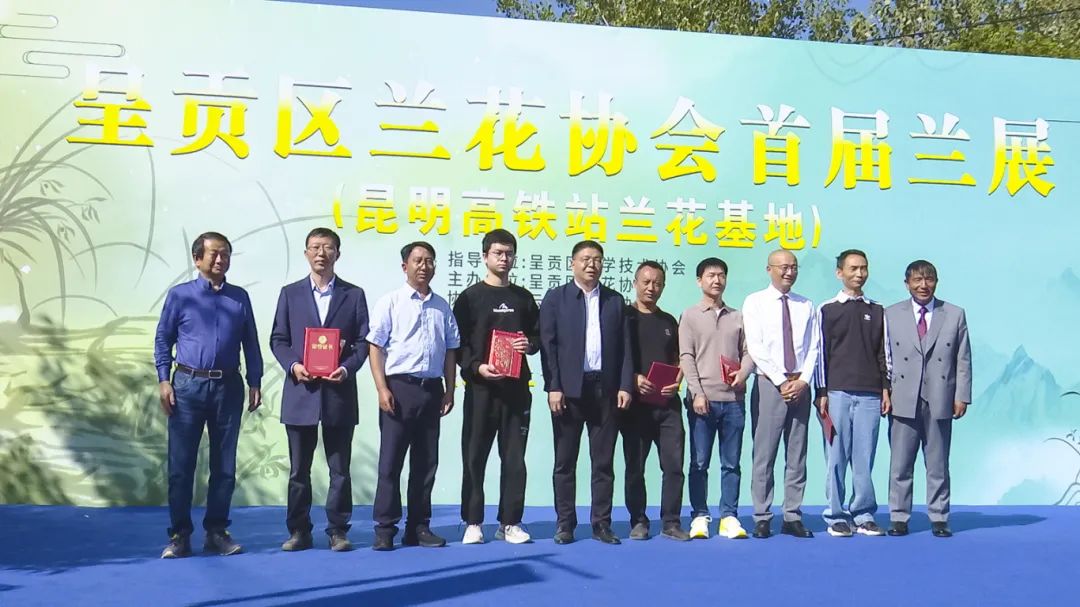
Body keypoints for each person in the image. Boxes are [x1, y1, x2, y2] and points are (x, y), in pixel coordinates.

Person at [154, 231, 263, 558]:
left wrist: (254, 381)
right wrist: (164, 380)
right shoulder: (180, 296)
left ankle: (216, 531)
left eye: (225, 254)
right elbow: (163, 339)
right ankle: (180, 535)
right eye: (214, 253)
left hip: (228, 387)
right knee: (181, 466)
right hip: (187, 386)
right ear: (197, 258)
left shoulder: (239, 297)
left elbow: (251, 342)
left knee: (224, 466)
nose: (220, 259)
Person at [269, 227, 370, 552]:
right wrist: (294, 366)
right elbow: (279, 339)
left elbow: (363, 342)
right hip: (302, 393)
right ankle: (299, 531)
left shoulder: (354, 295)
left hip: (339, 394)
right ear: (306, 253)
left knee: (340, 471)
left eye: (327, 247)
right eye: (315, 247)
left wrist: (347, 367)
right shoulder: (290, 294)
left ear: (337, 253)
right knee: (299, 471)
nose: (321, 253)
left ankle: (338, 530)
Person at [366, 241, 459, 551]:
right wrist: (382, 388)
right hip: (398, 389)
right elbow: (375, 347)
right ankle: (385, 528)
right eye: (418, 260)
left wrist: (450, 389)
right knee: (391, 463)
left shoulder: (442, 306)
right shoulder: (390, 302)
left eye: (429, 261)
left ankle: (418, 527)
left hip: (431, 390)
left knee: (426, 463)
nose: (424, 266)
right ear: (404, 266)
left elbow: (451, 350)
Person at [539, 240, 633, 545]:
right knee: (565, 462)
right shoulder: (556, 298)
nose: (591, 265)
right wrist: (553, 385)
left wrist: (625, 385)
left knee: (603, 462)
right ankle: (565, 523)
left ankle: (601, 524)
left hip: (605, 390)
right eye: (585, 259)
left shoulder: (614, 300)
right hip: (568, 391)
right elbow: (548, 346)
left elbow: (626, 348)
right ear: (573, 263)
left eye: (597, 260)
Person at [452, 229, 539, 545]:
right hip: (481, 391)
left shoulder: (523, 298)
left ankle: (510, 522)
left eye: (509, 253)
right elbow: (458, 344)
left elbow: (538, 336)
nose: (504, 258)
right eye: (498, 253)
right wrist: (477, 367)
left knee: (515, 460)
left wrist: (529, 345)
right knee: (474, 457)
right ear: (485, 256)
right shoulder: (469, 298)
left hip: (516, 392)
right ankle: (473, 522)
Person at [885, 260, 971, 538]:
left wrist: (962, 396)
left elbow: (963, 359)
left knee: (937, 464)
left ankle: (939, 517)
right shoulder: (890, 314)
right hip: (902, 397)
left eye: (929, 279)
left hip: (941, 397)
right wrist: (884, 391)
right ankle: (899, 516)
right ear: (907, 283)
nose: (924, 285)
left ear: (936, 281)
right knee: (900, 464)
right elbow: (883, 357)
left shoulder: (954, 314)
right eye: (917, 280)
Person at [742, 249, 820, 539]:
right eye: (783, 267)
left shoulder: (806, 304)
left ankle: (792, 515)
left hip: (800, 385)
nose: (789, 272)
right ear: (769, 269)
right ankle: (762, 516)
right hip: (769, 384)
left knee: (797, 453)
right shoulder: (755, 302)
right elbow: (756, 347)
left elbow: (813, 347)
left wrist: (803, 380)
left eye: (794, 267)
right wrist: (781, 381)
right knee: (765, 453)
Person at [814, 249, 890, 538]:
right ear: (839, 273)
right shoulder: (827, 309)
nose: (859, 274)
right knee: (836, 456)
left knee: (864, 457)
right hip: (836, 394)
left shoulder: (878, 310)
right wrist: (821, 391)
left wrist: (886, 389)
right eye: (853, 268)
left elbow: (884, 354)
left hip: (870, 394)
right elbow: (820, 354)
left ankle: (864, 514)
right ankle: (836, 515)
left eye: (863, 268)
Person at [678, 257, 753, 540]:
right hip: (703, 400)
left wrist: (744, 373)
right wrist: (697, 392)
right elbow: (686, 356)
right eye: (710, 275)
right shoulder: (690, 315)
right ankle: (699, 515)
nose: (717, 280)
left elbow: (749, 352)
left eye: (721, 275)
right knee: (699, 462)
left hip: (733, 400)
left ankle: (729, 516)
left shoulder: (738, 316)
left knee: (731, 463)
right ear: (699, 280)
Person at [622, 261, 689, 541]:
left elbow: (680, 358)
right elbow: (613, 356)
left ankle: (671, 522)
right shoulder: (624, 317)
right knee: (635, 467)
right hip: (635, 406)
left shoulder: (669, 321)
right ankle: (638, 520)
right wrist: (633, 378)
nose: (652, 288)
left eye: (658, 283)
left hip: (667, 405)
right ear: (635, 283)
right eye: (646, 282)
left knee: (673, 466)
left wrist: (678, 379)